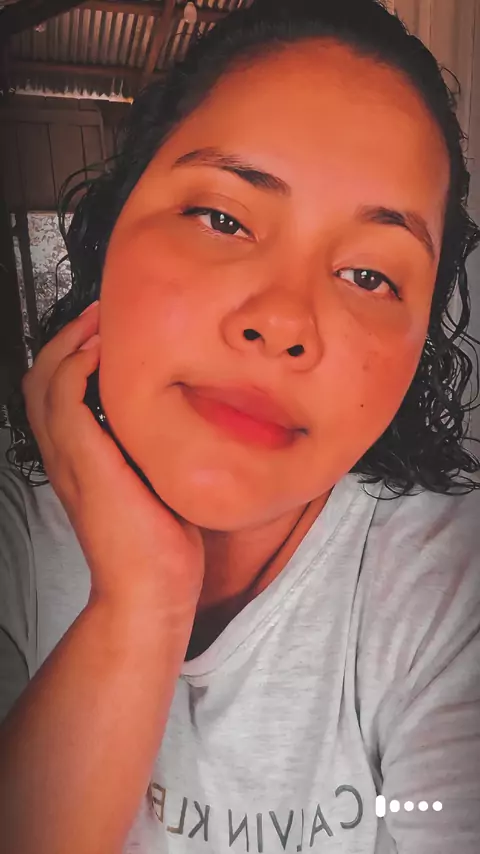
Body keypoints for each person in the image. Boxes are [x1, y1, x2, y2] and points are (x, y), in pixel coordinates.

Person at [0, 0, 480, 851]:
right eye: (223, 219)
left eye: (370, 276)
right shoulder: (13, 547)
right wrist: (140, 601)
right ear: (109, 234)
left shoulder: (453, 587)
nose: (284, 321)